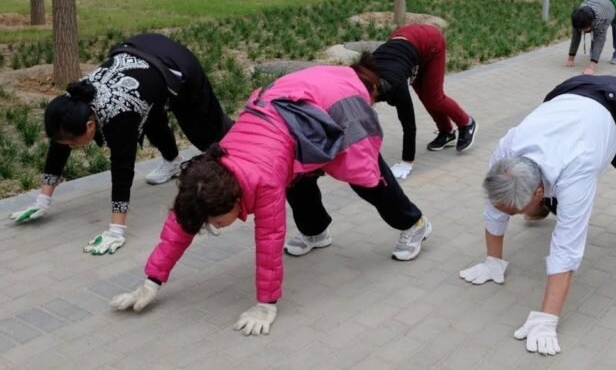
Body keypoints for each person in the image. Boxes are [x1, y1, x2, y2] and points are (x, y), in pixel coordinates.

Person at [110, 65, 432, 336]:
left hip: (332, 100)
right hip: (287, 113)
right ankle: (316, 231)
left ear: (236, 200)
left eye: (217, 221)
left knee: (366, 176)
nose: (216, 227)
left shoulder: (261, 183)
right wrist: (151, 281)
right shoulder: (204, 176)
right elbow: (182, 223)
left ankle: (414, 223)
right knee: (295, 178)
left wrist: (266, 304)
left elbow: (268, 239)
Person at [459, 75, 616, 356]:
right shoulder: (506, 151)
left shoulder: (578, 168)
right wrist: (493, 260)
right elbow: (495, 207)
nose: (511, 216)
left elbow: (567, 245)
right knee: (549, 197)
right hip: (571, 91)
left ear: (538, 191)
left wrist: (547, 318)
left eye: (516, 211)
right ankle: (539, 212)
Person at [8, 34, 233, 256]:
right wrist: (42, 200)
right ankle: (173, 162)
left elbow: (122, 169)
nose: (72, 147)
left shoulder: (119, 115)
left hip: (176, 65)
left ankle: (243, 157)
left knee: (207, 134)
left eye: (74, 144)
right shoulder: (71, 102)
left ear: (89, 126)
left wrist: (116, 229)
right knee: (150, 112)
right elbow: (59, 145)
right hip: (144, 61)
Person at [356, 24, 478, 180]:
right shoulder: (361, 80)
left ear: (374, 90)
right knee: (425, 96)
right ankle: (446, 133)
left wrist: (407, 162)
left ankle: (466, 123)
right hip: (405, 41)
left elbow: (409, 126)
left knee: (433, 97)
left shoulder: (396, 87)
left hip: (430, 41)